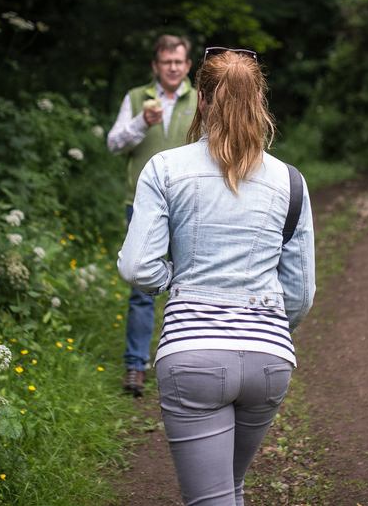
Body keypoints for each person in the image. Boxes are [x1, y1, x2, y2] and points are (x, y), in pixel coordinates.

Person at [118, 47, 315, 506]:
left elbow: (136, 266)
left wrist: (179, 279)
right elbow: (301, 293)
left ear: (201, 100)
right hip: (269, 360)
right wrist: (266, 326)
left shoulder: (165, 169)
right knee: (230, 489)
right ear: (259, 103)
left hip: (193, 356)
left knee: (210, 499)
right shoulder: (292, 182)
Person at [107, 34, 198, 397]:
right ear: (155, 66)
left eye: (179, 62)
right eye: (166, 62)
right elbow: (113, 144)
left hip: (191, 203)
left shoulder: (201, 98)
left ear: (188, 65)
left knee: (189, 283)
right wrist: (141, 123)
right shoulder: (135, 98)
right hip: (142, 204)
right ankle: (135, 365)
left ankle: (184, 362)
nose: (173, 68)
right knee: (142, 286)